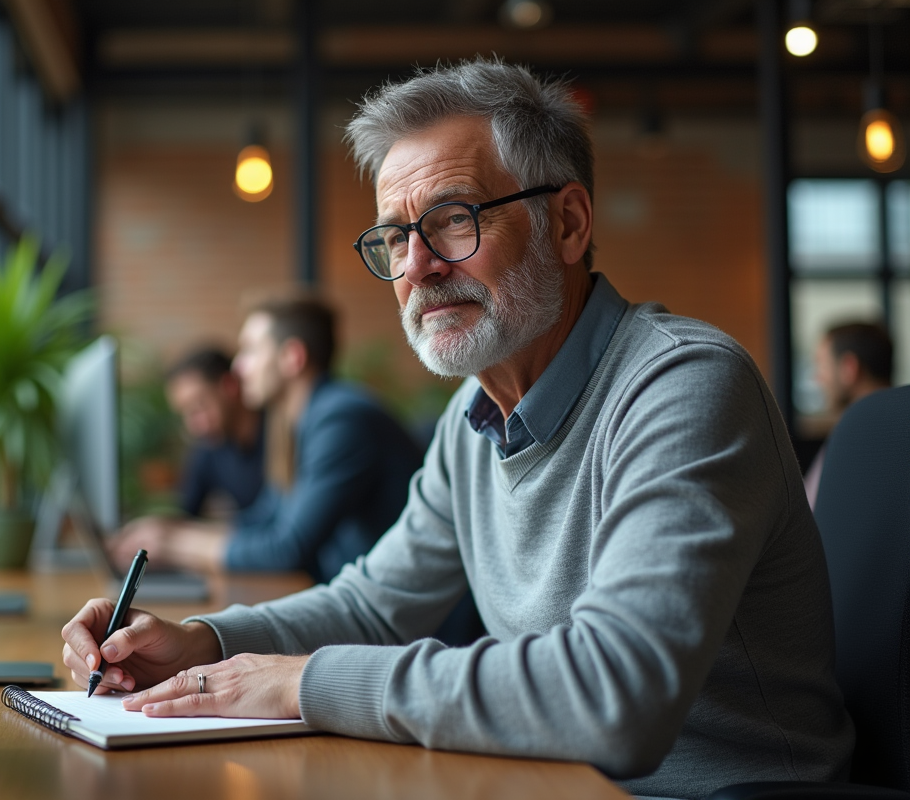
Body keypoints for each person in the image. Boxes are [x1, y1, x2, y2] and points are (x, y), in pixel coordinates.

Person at [65, 60, 853, 798]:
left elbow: (618, 697)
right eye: (395, 237)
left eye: (452, 220)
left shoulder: (683, 387)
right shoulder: (473, 418)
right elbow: (375, 606)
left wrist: (301, 681)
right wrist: (203, 642)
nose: (415, 267)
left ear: (569, 223)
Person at [110, 296, 425, 584]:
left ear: (292, 357)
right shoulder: (298, 422)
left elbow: (287, 549)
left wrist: (172, 545)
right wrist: (172, 530)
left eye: (249, 350)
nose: (238, 367)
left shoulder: (341, 421)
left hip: (410, 620)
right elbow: (265, 517)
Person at [165, 347, 265, 518]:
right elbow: (185, 514)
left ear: (229, 385)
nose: (193, 425)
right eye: (185, 413)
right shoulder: (208, 450)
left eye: (198, 407)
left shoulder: (282, 436)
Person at [804, 321, 894, 508]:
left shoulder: (852, 437)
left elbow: (809, 513)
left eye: (821, 365)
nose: (817, 378)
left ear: (849, 368)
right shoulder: (896, 430)